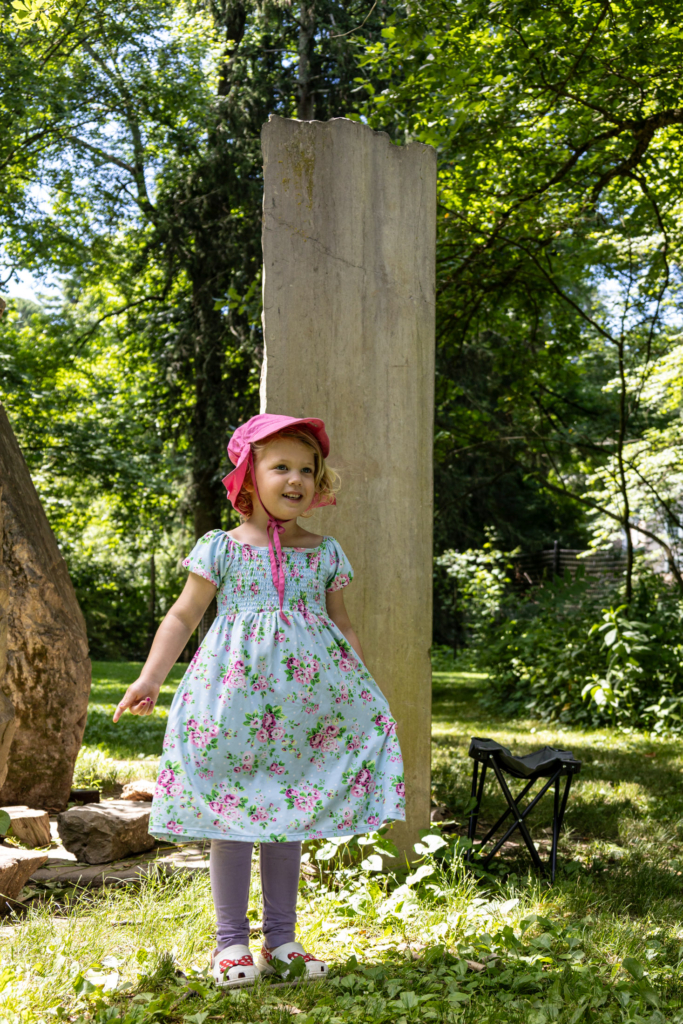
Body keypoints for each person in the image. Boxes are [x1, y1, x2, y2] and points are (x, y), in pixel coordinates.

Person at [113, 414, 405, 987]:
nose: (296, 479)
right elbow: (183, 615)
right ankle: (229, 944)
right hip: (232, 705)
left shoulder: (324, 553)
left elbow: (341, 626)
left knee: (287, 813)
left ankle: (281, 938)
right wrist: (150, 678)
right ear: (249, 477)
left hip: (304, 712)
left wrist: (362, 690)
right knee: (234, 815)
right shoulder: (221, 548)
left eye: (306, 470)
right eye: (281, 467)